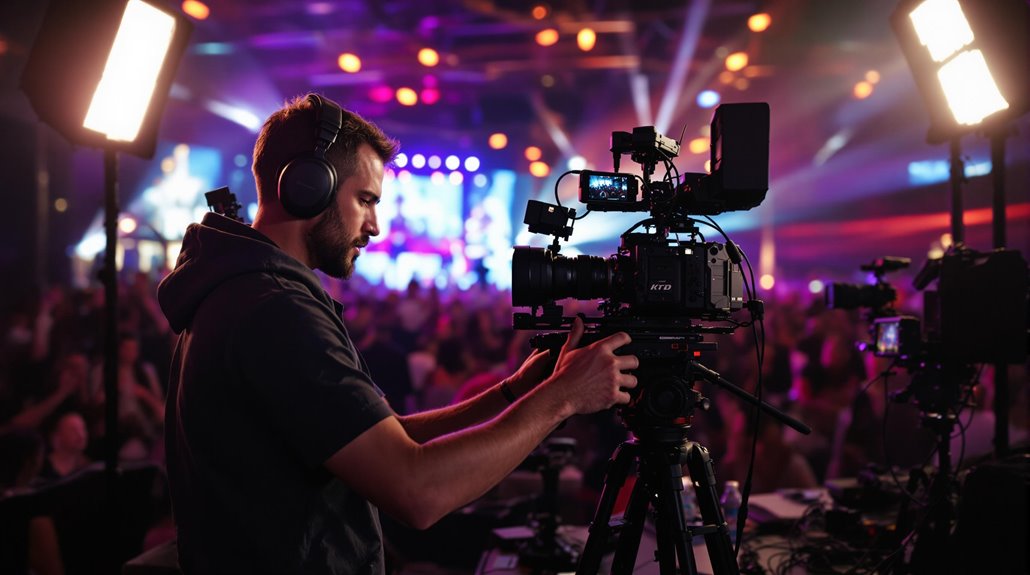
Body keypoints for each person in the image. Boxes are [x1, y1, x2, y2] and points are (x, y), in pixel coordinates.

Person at [156, 93, 638, 574]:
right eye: (365, 200)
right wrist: (563, 398)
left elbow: (383, 440)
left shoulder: (250, 293)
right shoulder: (275, 310)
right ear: (307, 187)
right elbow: (417, 490)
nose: (375, 226)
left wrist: (513, 392)